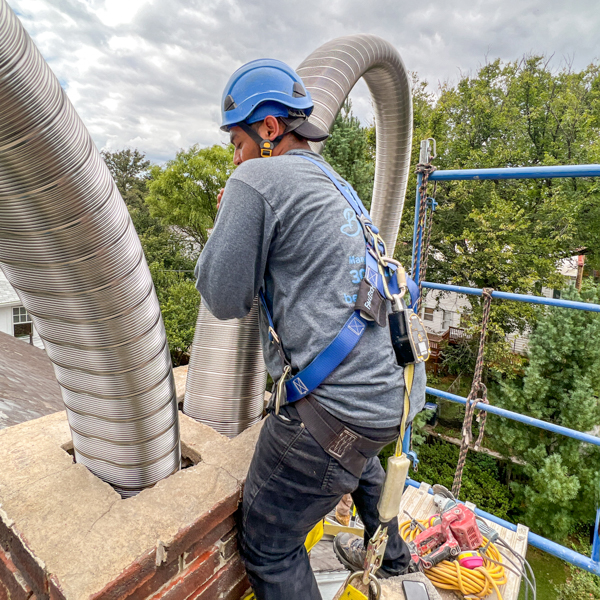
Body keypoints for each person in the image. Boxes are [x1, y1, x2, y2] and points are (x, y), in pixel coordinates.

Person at [195, 58, 426, 600]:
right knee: (360, 455)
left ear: (269, 129)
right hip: (398, 386)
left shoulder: (256, 177)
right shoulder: (332, 181)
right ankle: (393, 563)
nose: (235, 156)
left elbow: (223, 296)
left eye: (236, 142)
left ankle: (385, 562)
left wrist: (230, 209)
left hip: (341, 407)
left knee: (270, 541)